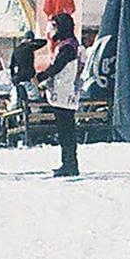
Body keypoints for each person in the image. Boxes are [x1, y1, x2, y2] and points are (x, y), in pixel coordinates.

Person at [37, 11, 83, 177]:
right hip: (62, 91)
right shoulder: (66, 44)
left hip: (65, 92)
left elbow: (58, 66)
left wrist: (41, 76)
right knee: (64, 129)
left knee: (66, 130)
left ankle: (70, 163)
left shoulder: (68, 47)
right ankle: (67, 161)